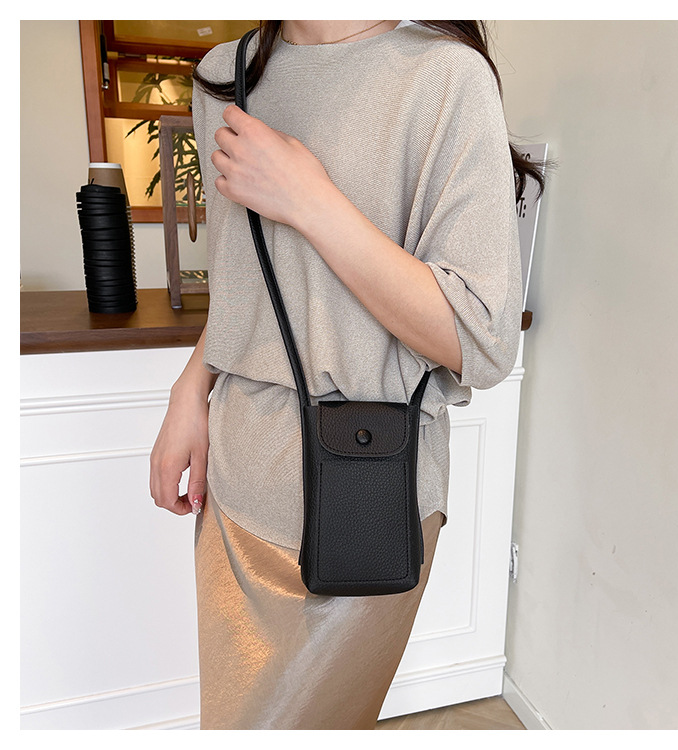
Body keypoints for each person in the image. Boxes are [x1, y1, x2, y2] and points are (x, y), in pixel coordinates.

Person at [150, 20, 547, 730]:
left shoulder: (444, 78)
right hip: (238, 477)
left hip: (369, 487)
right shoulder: (226, 75)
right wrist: (192, 385)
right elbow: (249, 278)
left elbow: (483, 341)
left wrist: (310, 200)